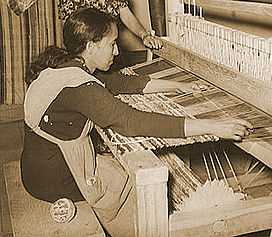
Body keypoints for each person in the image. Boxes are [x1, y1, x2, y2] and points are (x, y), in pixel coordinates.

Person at [21, 8, 253, 237]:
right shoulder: (82, 88)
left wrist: (180, 86)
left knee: (118, 165)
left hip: (39, 166)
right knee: (134, 189)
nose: (117, 50)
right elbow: (132, 122)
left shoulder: (68, 69)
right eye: (111, 44)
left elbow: (124, 84)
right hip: (51, 179)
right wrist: (213, 127)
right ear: (91, 46)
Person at [58, 0, 162, 51]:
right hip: (85, 51)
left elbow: (126, 14)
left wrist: (144, 36)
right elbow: (69, 32)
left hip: (108, 49)